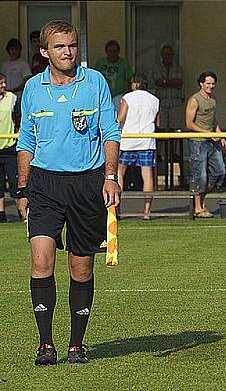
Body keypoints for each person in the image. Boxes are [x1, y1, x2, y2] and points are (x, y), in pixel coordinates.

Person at [16, 20, 121, 365]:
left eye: (72, 45)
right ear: (44, 51)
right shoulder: (32, 88)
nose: (68, 52)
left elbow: (110, 131)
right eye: (60, 47)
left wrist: (110, 177)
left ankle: (77, 344)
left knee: (81, 268)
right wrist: (22, 187)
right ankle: (45, 344)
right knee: (41, 260)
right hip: (45, 184)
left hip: (86, 183)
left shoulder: (95, 83)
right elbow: (27, 141)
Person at [117, 73, 160, 220]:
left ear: (134, 83)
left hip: (128, 140)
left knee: (120, 173)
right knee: (147, 175)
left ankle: (117, 209)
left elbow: (120, 118)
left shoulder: (128, 97)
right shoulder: (154, 99)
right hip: (147, 140)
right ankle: (147, 212)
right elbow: (157, 121)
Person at [185, 71, 226, 218]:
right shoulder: (194, 100)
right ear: (201, 84)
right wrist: (206, 133)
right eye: (208, 83)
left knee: (219, 171)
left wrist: (220, 135)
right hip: (198, 143)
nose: (211, 86)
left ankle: (202, 202)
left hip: (212, 142)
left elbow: (213, 120)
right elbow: (189, 124)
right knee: (199, 175)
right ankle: (198, 207)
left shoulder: (213, 100)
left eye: (213, 83)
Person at [0, 72, 21, 222]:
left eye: (4, 83)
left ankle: (21, 214)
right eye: (1, 83)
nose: (4, 86)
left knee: (15, 181)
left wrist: (18, 132)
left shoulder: (12, 98)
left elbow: (19, 117)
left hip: (9, 146)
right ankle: (2, 216)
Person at [151, 44, 185, 130]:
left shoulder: (178, 68)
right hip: (162, 102)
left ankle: (174, 144)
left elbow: (179, 82)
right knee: (161, 129)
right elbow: (158, 82)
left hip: (175, 102)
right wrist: (171, 82)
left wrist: (165, 81)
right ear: (161, 55)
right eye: (165, 54)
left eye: (169, 54)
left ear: (173, 55)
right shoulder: (156, 67)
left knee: (176, 129)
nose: (167, 56)